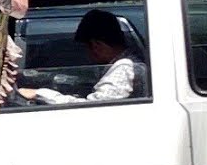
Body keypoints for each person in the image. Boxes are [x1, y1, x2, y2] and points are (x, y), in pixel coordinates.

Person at [16, 9, 149, 104]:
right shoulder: (125, 64)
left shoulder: (124, 66)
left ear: (97, 45)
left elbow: (97, 107)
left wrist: (40, 94)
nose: (87, 55)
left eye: (86, 48)